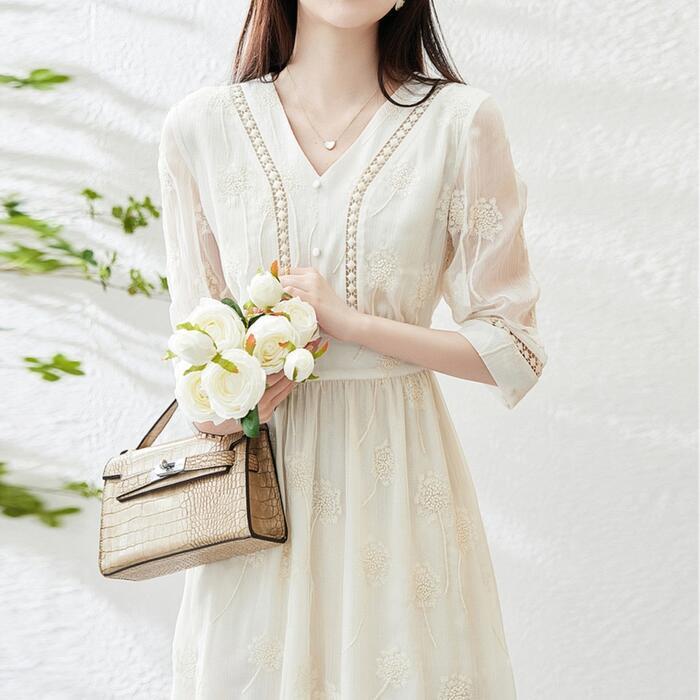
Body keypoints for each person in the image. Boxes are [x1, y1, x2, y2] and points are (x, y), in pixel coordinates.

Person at [157, 0, 547, 697]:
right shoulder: (200, 128)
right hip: (260, 491)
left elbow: (513, 348)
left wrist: (349, 323)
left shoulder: (460, 123)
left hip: (396, 477)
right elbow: (193, 356)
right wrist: (227, 404)